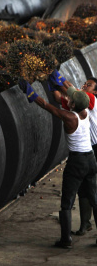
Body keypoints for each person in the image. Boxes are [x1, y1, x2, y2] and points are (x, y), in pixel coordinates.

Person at [19, 79, 97, 248]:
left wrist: (30, 91)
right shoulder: (85, 112)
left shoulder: (69, 116)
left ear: (74, 104)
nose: (67, 99)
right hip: (91, 159)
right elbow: (72, 96)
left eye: (70, 99)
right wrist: (57, 83)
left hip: (77, 162)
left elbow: (46, 105)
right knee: (94, 197)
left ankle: (66, 240)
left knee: (67, 201)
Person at [49, 72, 97, 236]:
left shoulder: (90, 99)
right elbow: (60, 98)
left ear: (95, 92)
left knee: (91, 192)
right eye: (84, 83)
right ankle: (85, 224)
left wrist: (58, 78)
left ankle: (74, 233)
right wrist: (54, 86)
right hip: (89, 150)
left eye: (88, 85)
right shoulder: (81, 106)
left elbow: (71, 91)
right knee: (86, 190)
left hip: (93, 149)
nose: (84, 86)